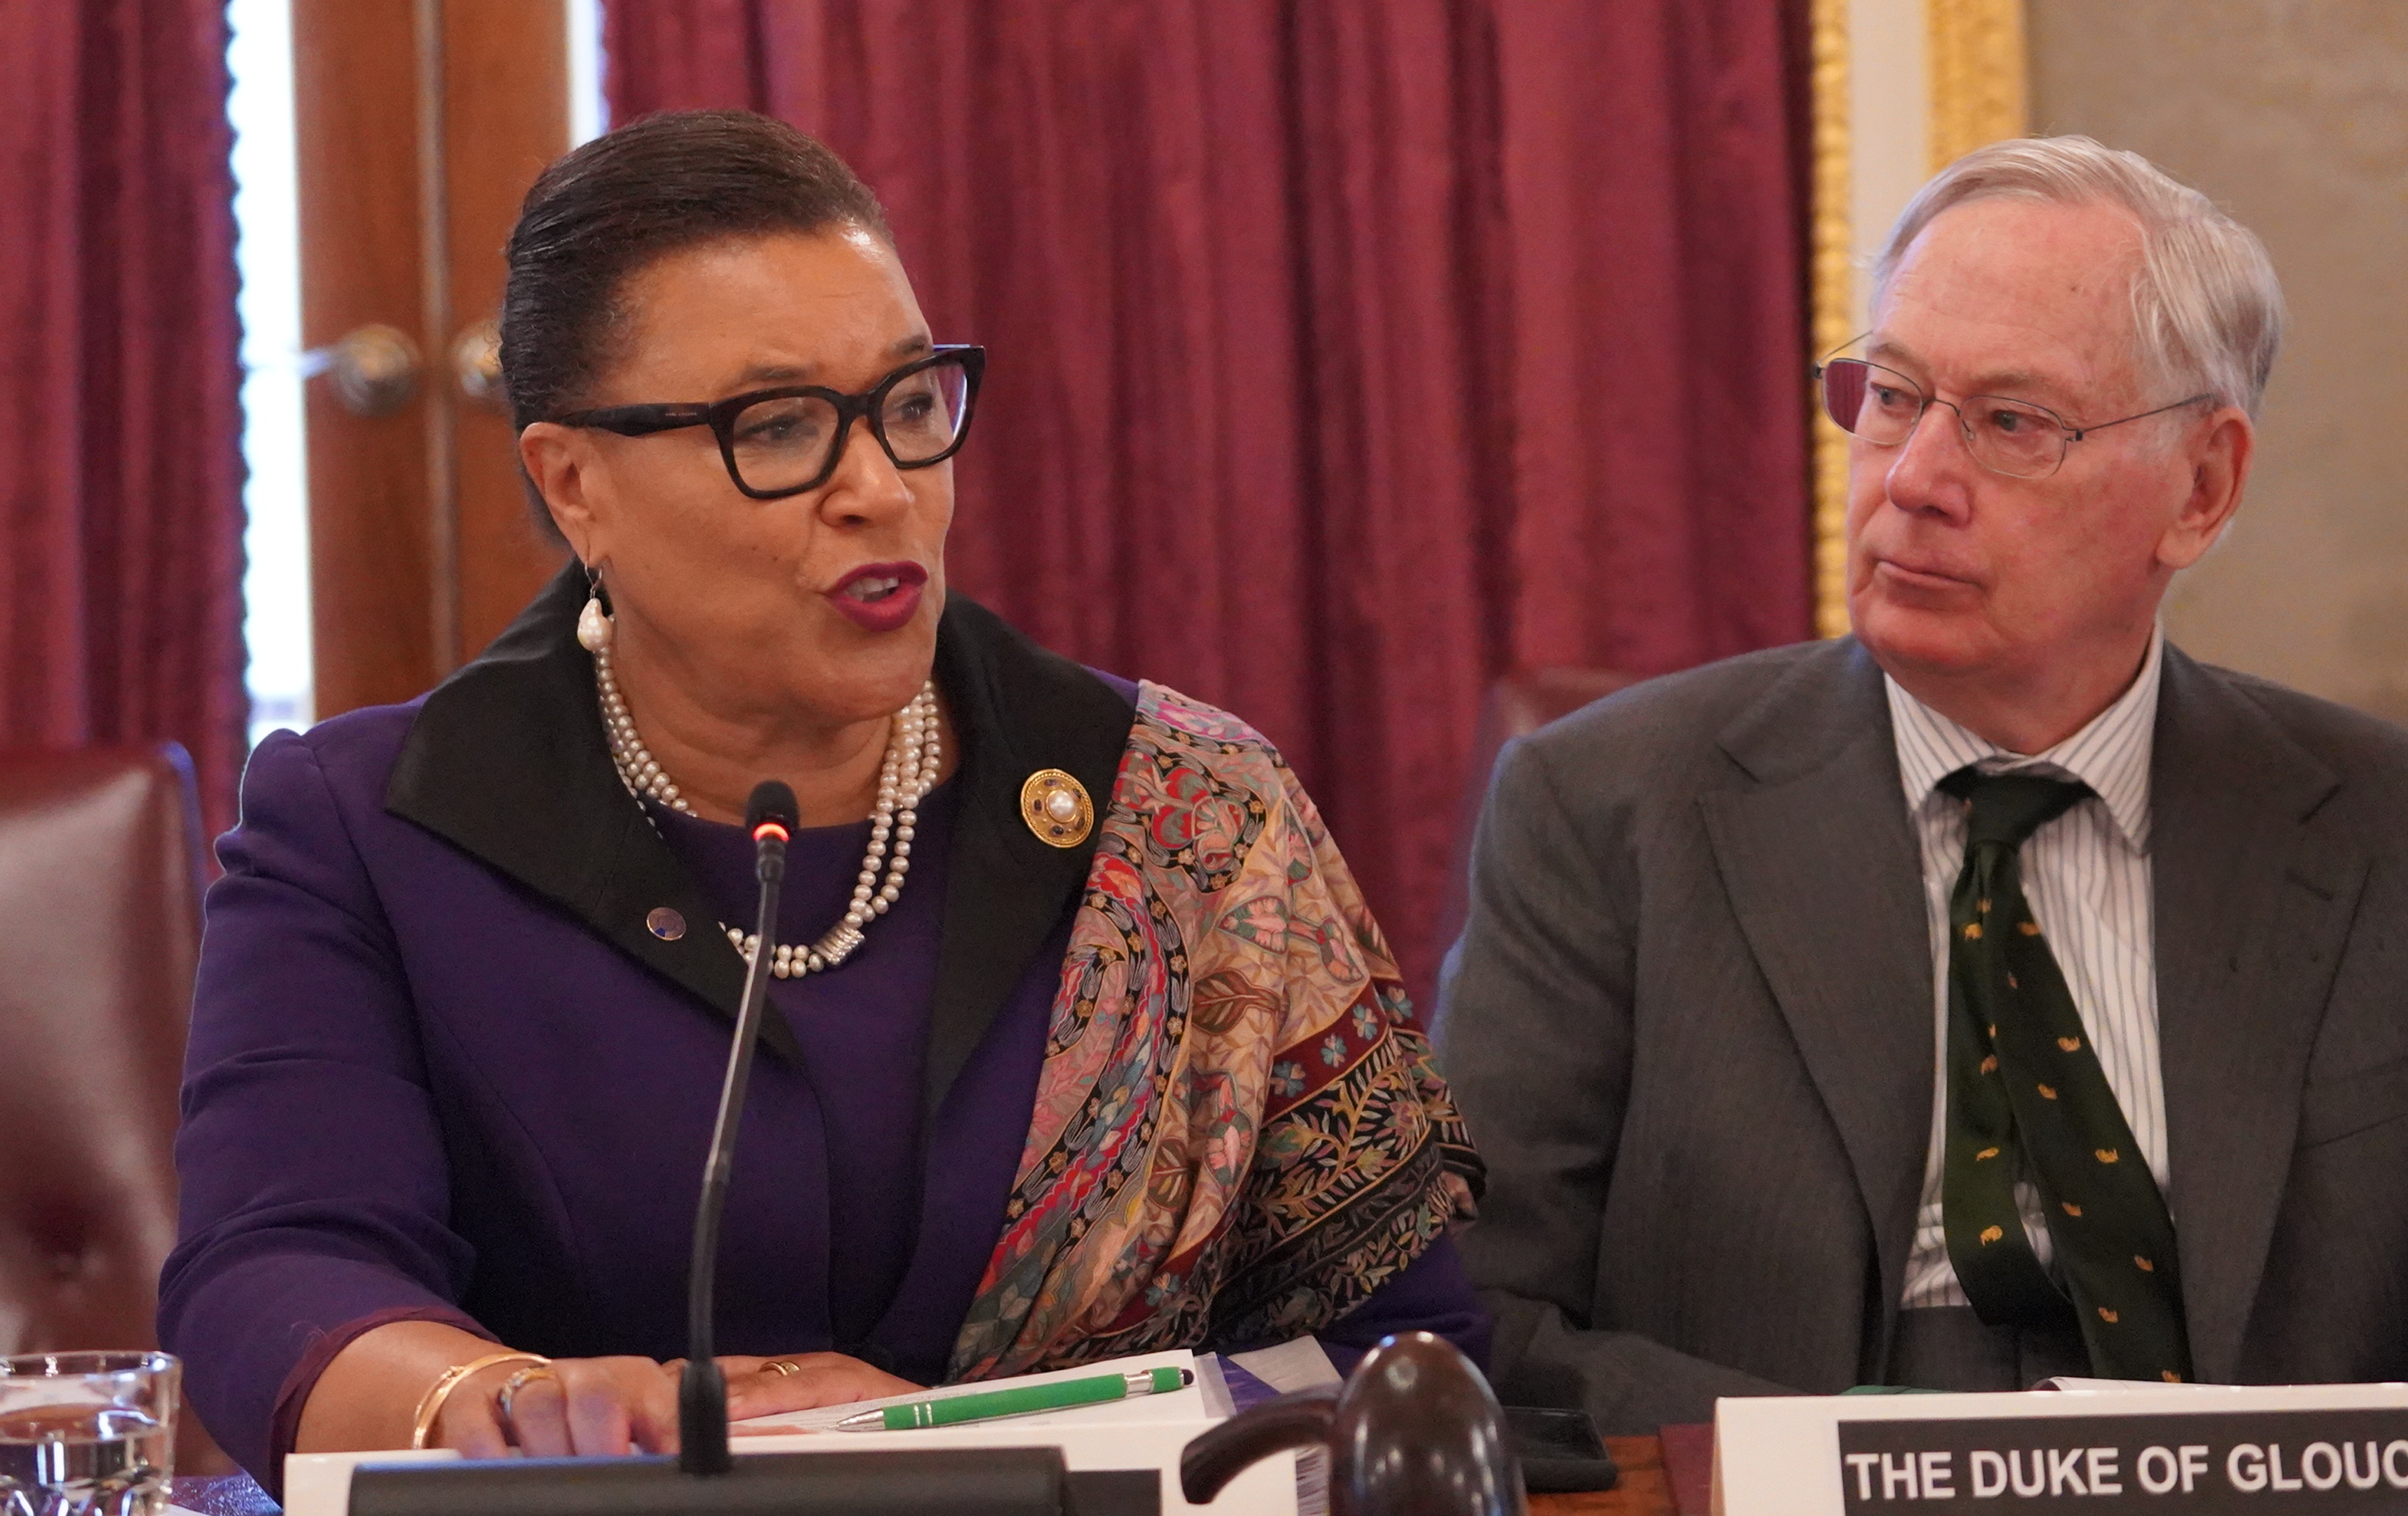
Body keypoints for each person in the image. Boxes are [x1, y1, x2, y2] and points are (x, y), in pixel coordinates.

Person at [159, 110, 1483, 1489]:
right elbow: (278, 1272)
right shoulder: (374, 830)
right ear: (575, 483)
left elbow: (1402, 1349)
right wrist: (505, 1405)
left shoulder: (1194, 817)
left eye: (910, 406)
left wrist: (977, 1449)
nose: (882, 489)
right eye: (778, 427)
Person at [1435, 135, 2408, 1432]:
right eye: (1894, 396)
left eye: (2014, 423)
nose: (1911, 482)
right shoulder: (1605, 813)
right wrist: (1847, 1465)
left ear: (2201, 489)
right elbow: (1481, 1321)